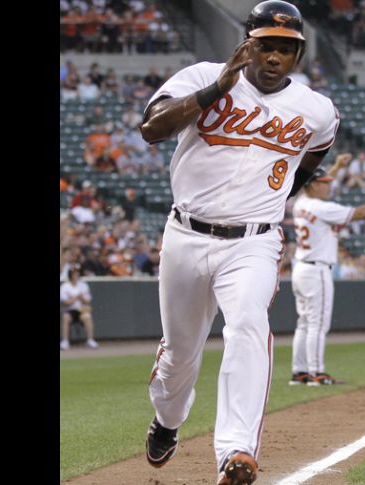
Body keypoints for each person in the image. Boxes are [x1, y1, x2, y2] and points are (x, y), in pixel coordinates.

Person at [138, 2, 340, 484]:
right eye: (265, 43)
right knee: (179, 356)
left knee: (248, 327)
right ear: (246, 42)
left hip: (253, 242)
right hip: (185, 234)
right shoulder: (203, 75)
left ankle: (236, 451)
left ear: (299, 53)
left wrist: (268, 201)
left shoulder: (317, 110)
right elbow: (152, 129)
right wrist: (217, 89)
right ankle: (167, 419)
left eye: (285, 47)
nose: (274, 55)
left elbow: (309, 161)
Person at [290, 161, 365, 385]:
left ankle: (300, 372)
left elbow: (315, 182)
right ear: (312, 186)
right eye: (324, 183)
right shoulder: (321, 208)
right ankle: (316, 373)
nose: (328, 185)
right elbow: (359, 213)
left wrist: (337, 167)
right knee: (318, 324)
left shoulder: (301, 202)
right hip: (317, 269)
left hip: (301, 268)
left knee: (304, 323)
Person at [59, 265, 98, 350]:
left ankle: (90, 340)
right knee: (65, 317)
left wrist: (81, 298)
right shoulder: (65, 286)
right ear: (70, 275)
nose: (76, 275)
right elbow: (65, 302)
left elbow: (87, 301)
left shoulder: (83, 285)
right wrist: (76, 297)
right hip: (70, 310)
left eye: (77, 273)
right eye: (74, 273)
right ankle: (65, 341)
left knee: (87, 316)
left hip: (81, 310)